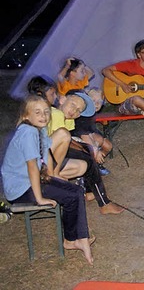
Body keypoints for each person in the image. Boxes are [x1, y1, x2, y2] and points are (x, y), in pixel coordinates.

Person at [1, 95, 94, 264]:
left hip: (33, 180)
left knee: (77, 191)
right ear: (26, 115)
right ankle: (75, 239)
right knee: (72, 195)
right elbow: (32, 167)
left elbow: (47, 154)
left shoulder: (40, 129)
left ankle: (73, 240)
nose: (43, 116)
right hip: (21, 188)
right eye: (37, 112)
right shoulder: (28, 132)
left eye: (46, 112)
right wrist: (40, 198)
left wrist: (53, 177)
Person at [49, 89, 124, 215]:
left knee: (86, 157)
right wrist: (87, 149)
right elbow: (60, 141)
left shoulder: (68, 119)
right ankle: (103, 203)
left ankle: (90, 193)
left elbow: (69, 142)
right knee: (87, 156)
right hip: (44, 159)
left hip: (53, 156)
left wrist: (87, 149)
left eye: (79, 110)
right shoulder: (55, 114)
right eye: (73, 105)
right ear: (62, 99)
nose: (74, 111)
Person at [70, 87, 113, 176]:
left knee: (108, 145)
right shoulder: (82, 113)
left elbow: (91, 130)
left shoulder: (91, 113)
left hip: (88, 134)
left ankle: (97, 164)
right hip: (75, 137)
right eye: (93, 100)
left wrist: (99, 139)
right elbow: (82, 133)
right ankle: (92, 166)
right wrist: (95, 149)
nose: (97, 104)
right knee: (94, 147)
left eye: (100, 101)